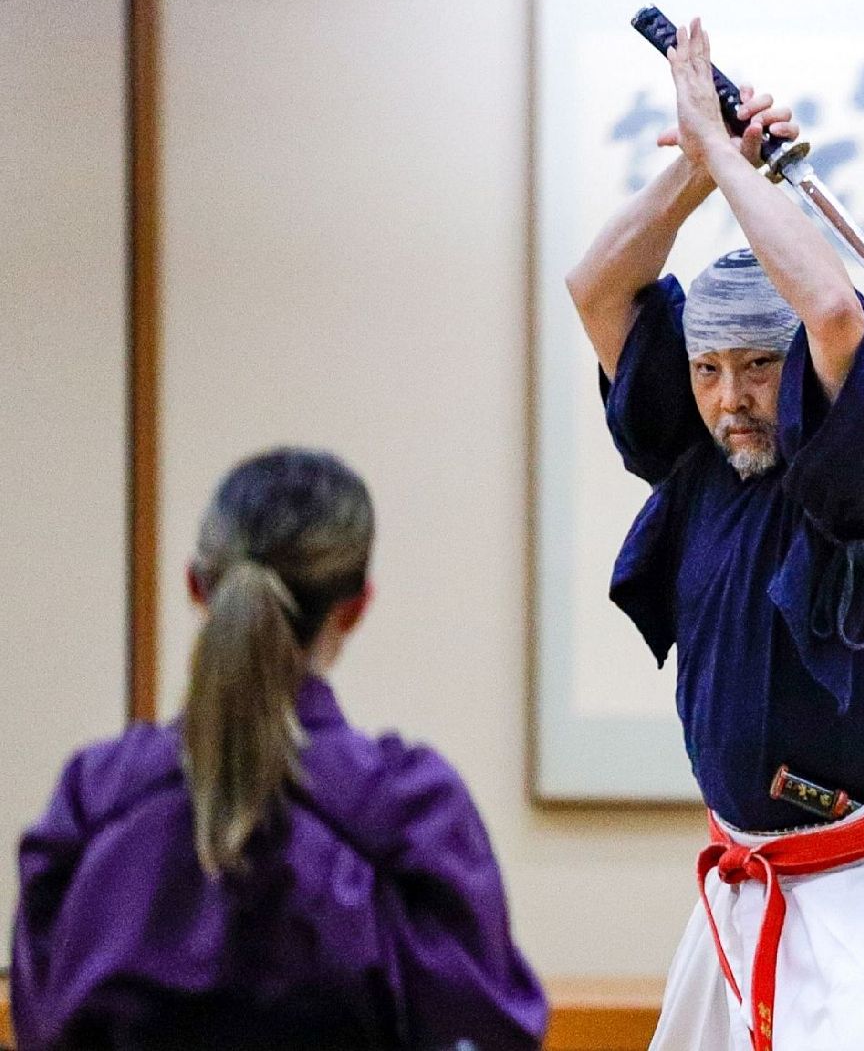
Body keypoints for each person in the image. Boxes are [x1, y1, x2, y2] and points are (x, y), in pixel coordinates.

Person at [567, 19, 864, 1051]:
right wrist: (694, 170)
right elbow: (595, 287)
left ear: (794, 370)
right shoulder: (702, 464)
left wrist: (730, 158)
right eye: (706, 370)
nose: (728, 400)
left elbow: (835, 315)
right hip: (748, 887)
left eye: (755, 369)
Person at [11, 448, 546, 1050]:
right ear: (356, 607)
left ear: (195, 585)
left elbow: (41, 1022)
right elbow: (488, 1031)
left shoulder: (94, 799)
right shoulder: (410, 811)